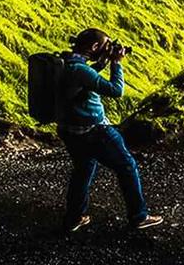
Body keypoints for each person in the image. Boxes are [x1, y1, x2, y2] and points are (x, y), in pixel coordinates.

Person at [58, 28, 163, 232]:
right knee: (127, 165)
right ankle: (139, 216)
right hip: (94, 130)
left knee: (83, 170)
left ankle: (74, 217)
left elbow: (83, 80)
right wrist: (116, 63)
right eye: (105, 46)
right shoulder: (80, 70)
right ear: (95, 47)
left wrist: (101, 64)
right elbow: (116, 90)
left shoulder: (66, 62)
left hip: (70, 131)